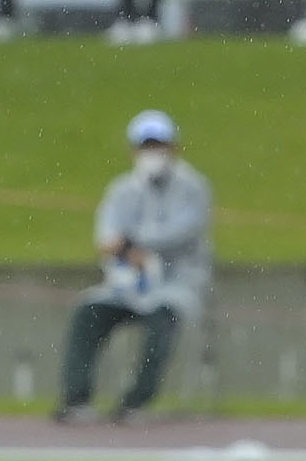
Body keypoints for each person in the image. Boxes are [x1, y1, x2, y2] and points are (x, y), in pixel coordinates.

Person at [54, 110, 211, 422]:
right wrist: (128, 251)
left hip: (175, 283)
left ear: (174, 147)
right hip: (126, 284)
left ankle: (136, 402)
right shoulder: (122, 190)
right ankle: (77, 400)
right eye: (146, 146)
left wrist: (132, 244)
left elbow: (183, 231)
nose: (152, 153)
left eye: (159, 145)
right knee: (88, 311)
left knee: (162, 317)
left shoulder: (194, 187)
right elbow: (106, 237)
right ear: (133, 150)